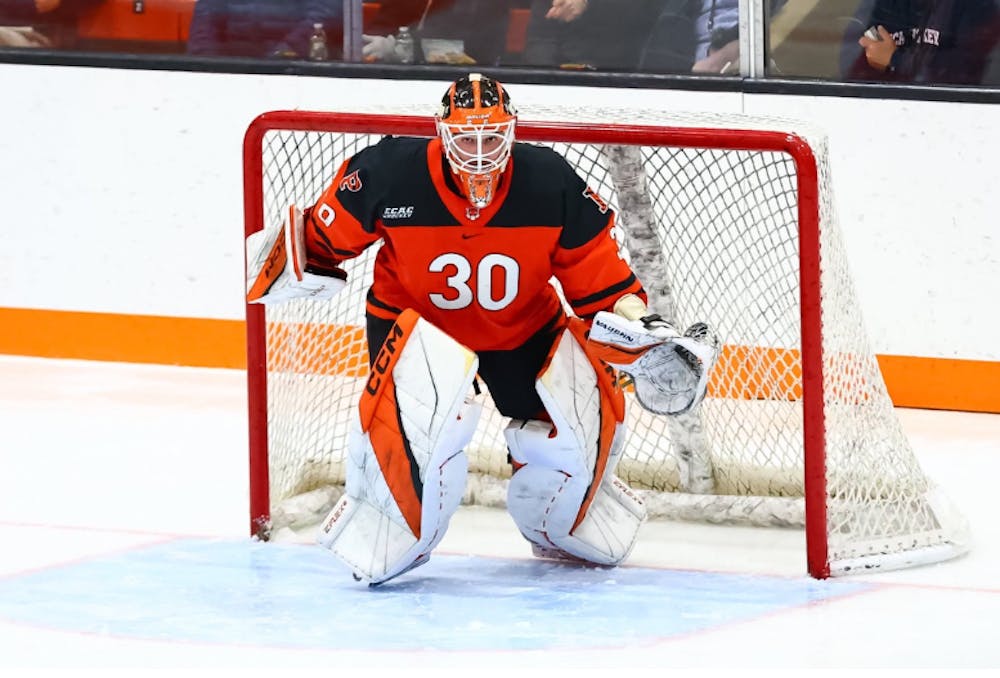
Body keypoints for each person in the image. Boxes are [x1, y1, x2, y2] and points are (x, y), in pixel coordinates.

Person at [245, 73, 719, 585]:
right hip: (416, 329)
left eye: (491, 137)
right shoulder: (389, 171)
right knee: (422, 449)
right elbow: (322, 236)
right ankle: (385, 520)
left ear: (512, 132)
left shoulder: (549, 179)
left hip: (524, 329)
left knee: (574, 441)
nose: (478, 152)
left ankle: (561, 523)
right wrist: (289, 260)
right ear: (441, 132)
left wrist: (643, 329)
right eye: (466, 139)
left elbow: (600, 284)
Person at [841, 0, 999, 85]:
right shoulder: (886, 3)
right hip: (886, 109)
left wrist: (895, 60)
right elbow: (856, 68)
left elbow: (964, 74)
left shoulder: (980, 7)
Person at [360, 0, 514, 65]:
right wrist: (377, 42)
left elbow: (470, 46)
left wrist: (400, 48)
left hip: (461, 83)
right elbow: (383, 24)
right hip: (400, 77)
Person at [186, 0, 342, 59]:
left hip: (295, 70)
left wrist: (281, 56)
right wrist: (207, 64)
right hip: (231, 68)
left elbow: (323, 17)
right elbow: (204, 23)